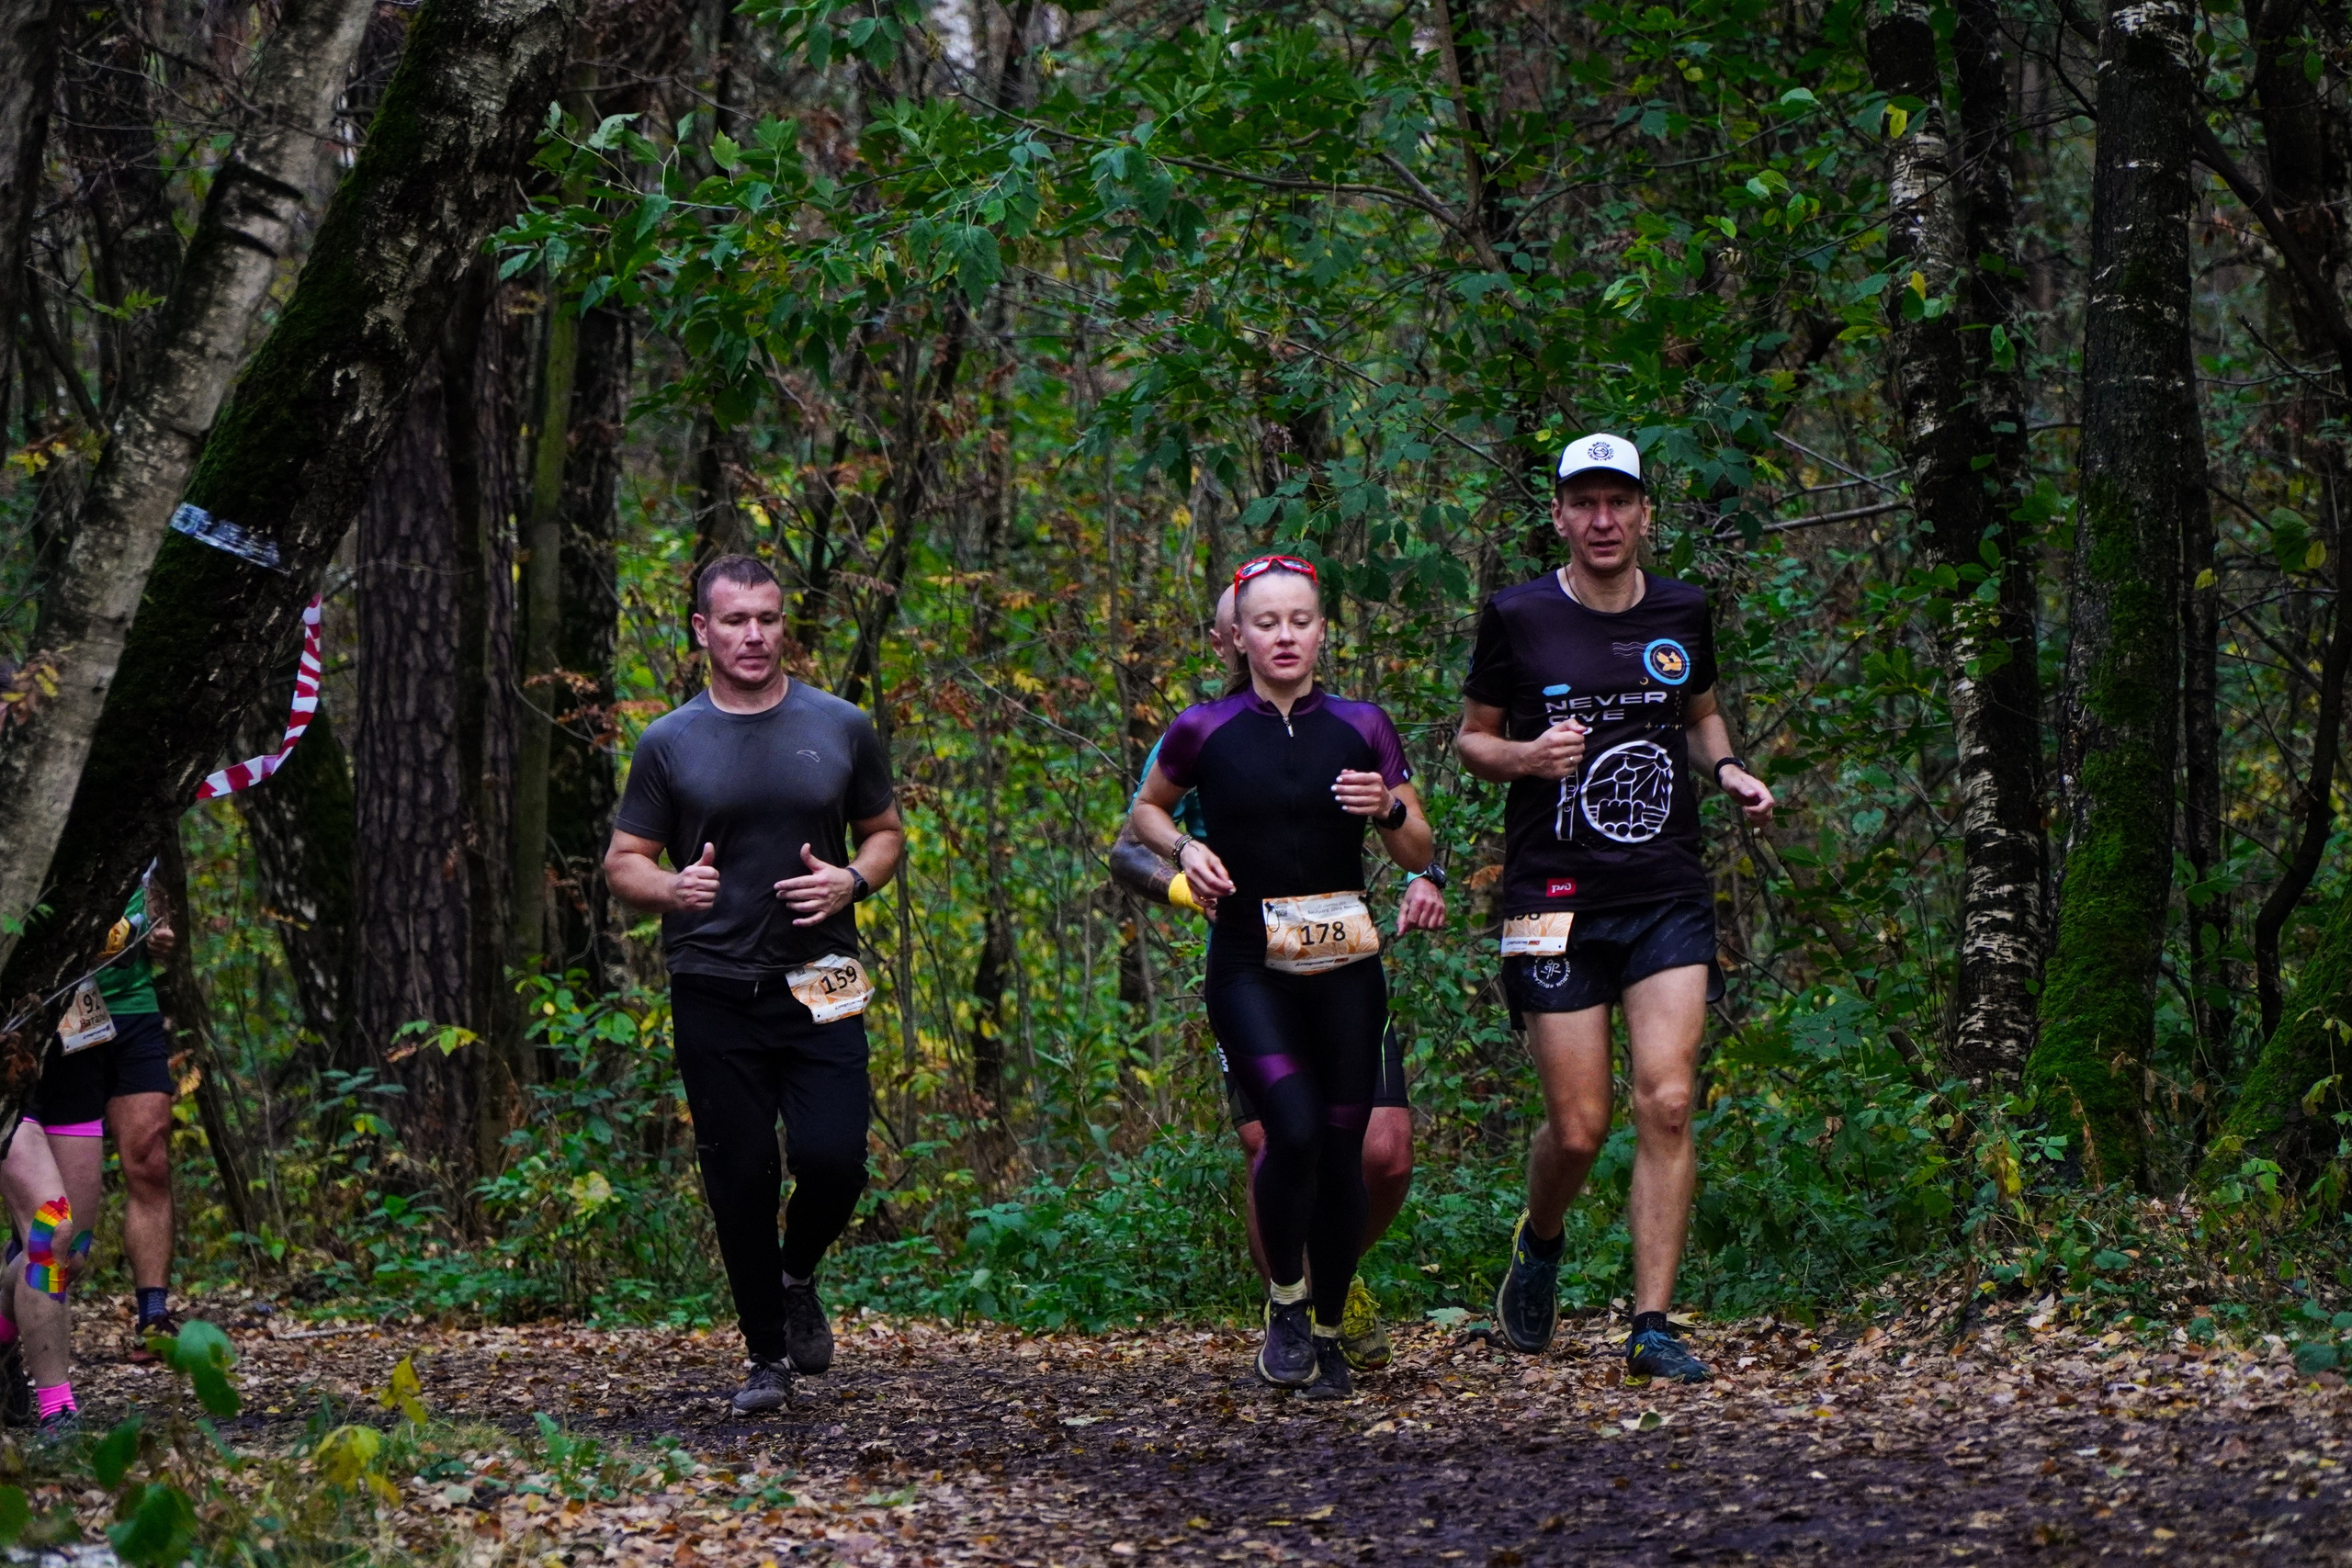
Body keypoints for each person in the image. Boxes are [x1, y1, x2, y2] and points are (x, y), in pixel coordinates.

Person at [1457, 434, 1775, 1383]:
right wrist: (1524, 757)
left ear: (1643, 514)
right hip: (1549, 897)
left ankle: (1652, 1323)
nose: (1602, 521)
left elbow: (1700, 712)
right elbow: (1470, 742)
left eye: (1618, 504)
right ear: (1557, 514)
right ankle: (1540, 1239)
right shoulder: (1517, 616)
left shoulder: (1682, 609)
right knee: (1582, 1126)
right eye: (1583, 504)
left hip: (1663, 891)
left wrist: (1726, 769)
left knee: (1668, 1102)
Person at [1131, 554, 1439, 1399]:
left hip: (1348, 968)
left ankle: (1332, 1329)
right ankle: (1287, 1302)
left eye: (1299, 620)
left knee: (1344, 1153)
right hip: (1248, 968)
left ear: (1321, 630)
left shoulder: (1364, 724)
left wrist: (1390, 809)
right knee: (1292, 1130)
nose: (1285, 636)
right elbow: (1145, 812)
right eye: (1267, 623)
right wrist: (1187, 849)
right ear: (1240, 635)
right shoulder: (1204, 727)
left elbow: (1419, 848)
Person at [605, 554, 906, 1416]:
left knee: (836, 1158)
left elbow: (885, 832)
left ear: (785, 625)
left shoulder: (842, 724)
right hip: (712, 980)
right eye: (735, 620)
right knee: (739, 1174)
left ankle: (797, 1271)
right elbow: (625, 861)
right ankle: (766, 1357)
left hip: (826, 970)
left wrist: (853, 879)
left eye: (768, 619)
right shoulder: (669, 741)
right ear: (702, 629)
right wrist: (672, 888)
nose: (753, 635)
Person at [21, 883, 181, 1364]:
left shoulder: (145, 826)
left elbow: (158, 911)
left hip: (133, 1006)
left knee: (150, 1157)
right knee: (52, 1204)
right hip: (64, 1008)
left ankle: (153, 1315)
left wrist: (161, 934)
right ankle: (22, 1332)